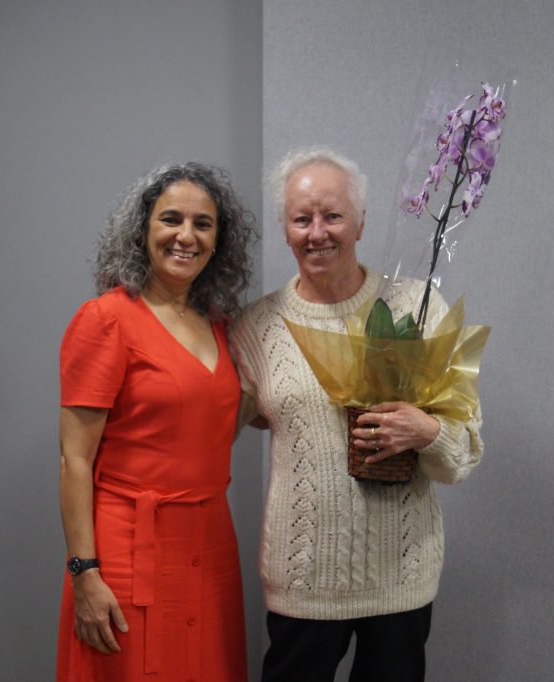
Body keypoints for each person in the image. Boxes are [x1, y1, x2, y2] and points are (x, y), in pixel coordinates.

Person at [229, 147, 483, 682]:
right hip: (304, 577)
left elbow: (462, 454)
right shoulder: (256, 327)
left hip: (401, 574)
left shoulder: (417, 307)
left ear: (361, 223)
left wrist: (427, 431)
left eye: (333, 215)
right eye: (301, 219)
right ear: (285, 229)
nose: (317, 232)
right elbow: (221, 422)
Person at [57, 162, 257, 681]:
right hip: (127, 553)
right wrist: (84, 572)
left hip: (210, 547)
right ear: (142, 229)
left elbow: (219, 424)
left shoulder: (219, 325)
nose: (186, 236)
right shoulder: (106, 319)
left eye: (203, 224)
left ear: (219, 240)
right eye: (171, 219)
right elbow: (74, 460)